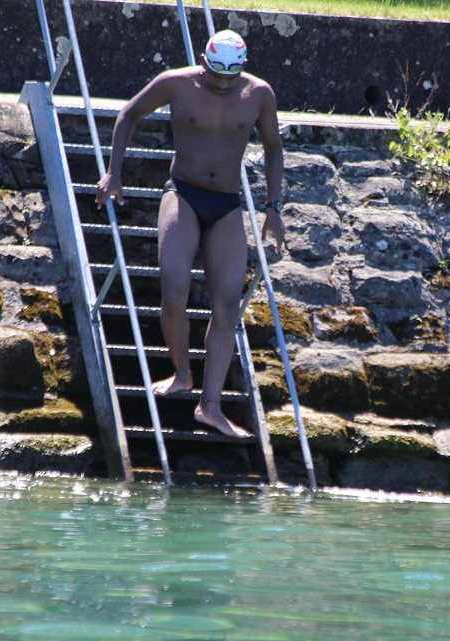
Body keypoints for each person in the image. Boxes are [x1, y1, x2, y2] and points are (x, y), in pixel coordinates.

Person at [96, 29, 285, 439]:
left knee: (227, 308)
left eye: (229, 78)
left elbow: (273, 147)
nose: (221, 84)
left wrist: (273, 208)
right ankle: (182, 372)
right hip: (182, 193)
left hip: (227, 205)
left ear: (242, 70)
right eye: (215, 75)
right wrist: (114, 172)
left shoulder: (259, 95)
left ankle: (211, 407)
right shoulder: (176, 83)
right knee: (174, 289)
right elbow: (128, 113)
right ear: (204, 61)